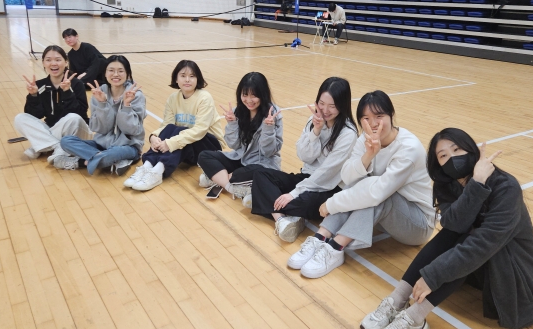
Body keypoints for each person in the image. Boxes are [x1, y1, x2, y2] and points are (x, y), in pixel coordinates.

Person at [363, 128, 533, 329]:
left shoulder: (505, 187)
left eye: (457, 149)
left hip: (514, 279)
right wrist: (475, 185)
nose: (452, 158)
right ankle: (398, 299)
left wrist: (433, 276)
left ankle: (415, 319)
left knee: (470, 239)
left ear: (471, 149)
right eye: (443, 156)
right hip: (480, 273)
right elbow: (455, 224)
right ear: (438, 164)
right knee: (454, 232)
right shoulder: (447, 184)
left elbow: (482, 245)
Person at [290, 91, 435, 279]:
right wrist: (368, 155)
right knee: (361, 183)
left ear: (391, 115)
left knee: (376, 191)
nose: (373, 124)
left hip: (417, 224)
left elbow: (378, 193)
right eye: (366, 118)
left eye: (379, 116)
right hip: (384, 218)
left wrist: (332, 204)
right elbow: (347, 177)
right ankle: (321, 236)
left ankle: (335, 248)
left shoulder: (409, 149)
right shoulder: (366, 139)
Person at [249, 77, 358, 243]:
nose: (325, 110)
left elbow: (327, 173)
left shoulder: (348, 133)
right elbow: (304, 156)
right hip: (307, 178)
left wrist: (293, 193)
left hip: (330, 187)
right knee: (260, 174)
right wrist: (316, 132)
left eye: (332, 106)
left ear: (343, 105)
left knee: (305, 202)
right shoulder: (314, 120)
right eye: (321, 103)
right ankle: (282, 219)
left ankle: (265, 200)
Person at [124, 59, 224, 191]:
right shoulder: (173, 98)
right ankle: (147, 166)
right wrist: (154, 137)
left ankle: (158, 171)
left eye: (192, 76)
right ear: (176, 79)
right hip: (188, 145)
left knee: (180, 131)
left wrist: (171, 143)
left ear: (198, 79)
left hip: (210, 147)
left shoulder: (204, 98)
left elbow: (199, 130)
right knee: (172, 129)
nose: (187, 80)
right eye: (183, 76)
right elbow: (167, 125)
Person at [198, 72, 283, 200]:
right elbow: (234, 145)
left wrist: (268, 128)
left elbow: (268, 151)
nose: (249, 100)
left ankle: (218, 178)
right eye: (245, 95)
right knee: (204, 156)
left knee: (244, 174)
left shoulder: (273, 115)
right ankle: (232, 187)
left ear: (263, 94)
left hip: (262, 164)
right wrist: (232, 123)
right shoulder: (238, 111)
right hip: (240, 159)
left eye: (254, 96)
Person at [59, 55, 146, 175]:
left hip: (128, 146)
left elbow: (131, 130)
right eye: (111, 70)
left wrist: (126, 106)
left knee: (114, 153)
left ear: (128, 74)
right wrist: (102, 104)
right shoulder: (99, 92)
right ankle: (111, 160)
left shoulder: (136, 95)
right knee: (66, 141)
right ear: (105, 73)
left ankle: (83, 162)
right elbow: (100, 128)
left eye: (121, 71)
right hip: (101, 145)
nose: (116, 74)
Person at [14, 45, 90, 164]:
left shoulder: (76, 84)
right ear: (43, 63)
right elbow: (34, 116)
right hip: (54, 130)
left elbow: (80, 113)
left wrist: (67, 92)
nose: (53, 63)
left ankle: (41, 145)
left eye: (58, 60)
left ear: (66, 62)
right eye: (48, 60)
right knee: (20, 118)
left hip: (77, 131)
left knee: (73, 118)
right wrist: (33, 96)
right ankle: (56, 146)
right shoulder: (39, 86)